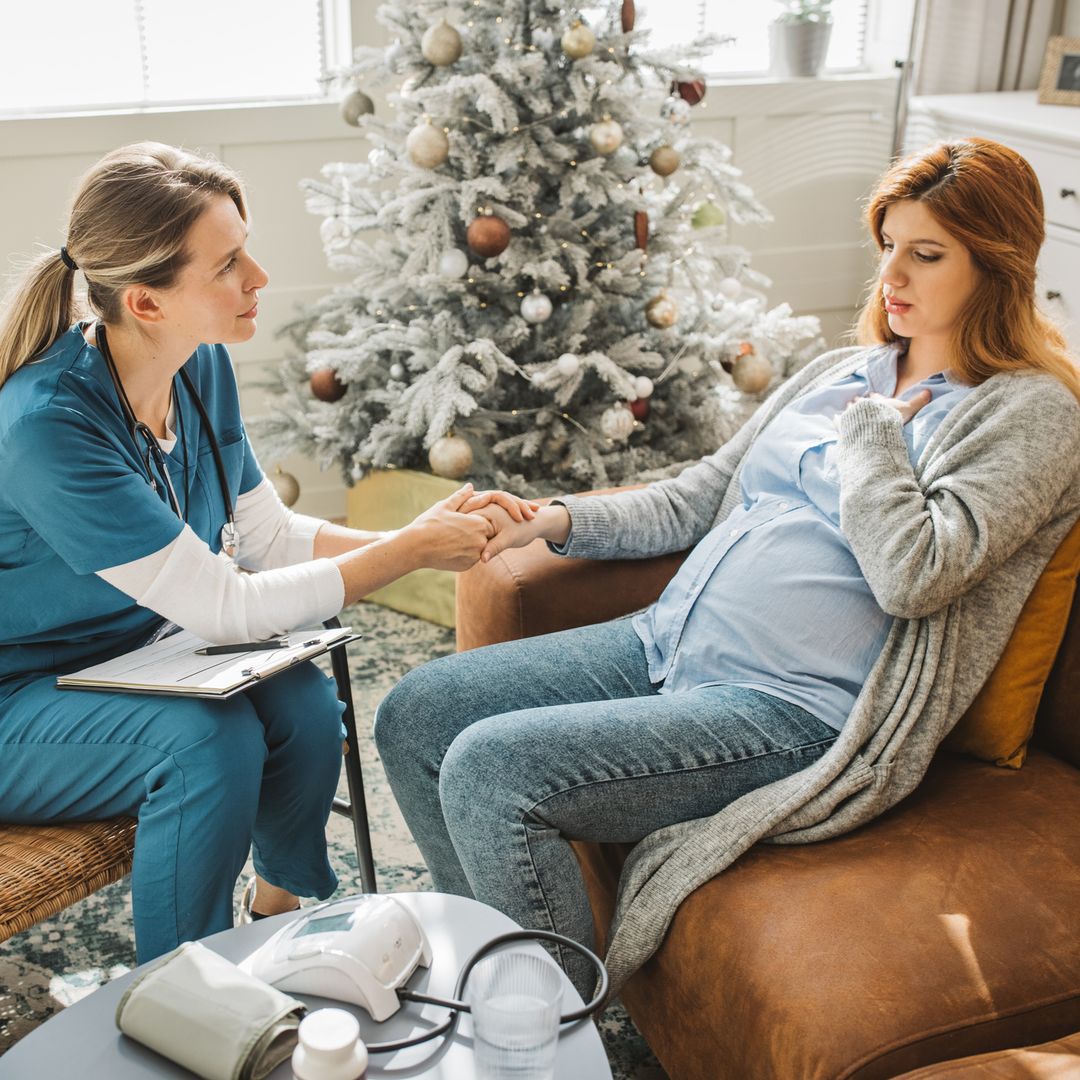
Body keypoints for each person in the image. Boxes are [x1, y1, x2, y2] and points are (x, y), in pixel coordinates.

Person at [374, 137, 1080, 999]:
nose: (892, 275)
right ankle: (491, 968)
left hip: (793, 711)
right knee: (415, 713)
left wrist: (872, 437)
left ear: (998, 266)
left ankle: (541, 1032)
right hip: (665, 643)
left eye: (926, 255)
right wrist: (548, 520)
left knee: (493, 770)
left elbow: (916, 574)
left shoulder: (1031, 412)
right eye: (888, 245)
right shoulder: (841, 371)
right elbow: (696, 497)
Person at [0, 142, 534, 963]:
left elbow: (269, 538)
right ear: (145, 301)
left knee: (303, 707)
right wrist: (408, 550)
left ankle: (275, 918)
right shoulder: (49, 426)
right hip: (17, 700)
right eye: (228, 265)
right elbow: (227, 607)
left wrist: (431, 540)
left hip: (132, 651)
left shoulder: (199, 366)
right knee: (204, 744)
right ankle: (187, 989)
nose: (259, 276)